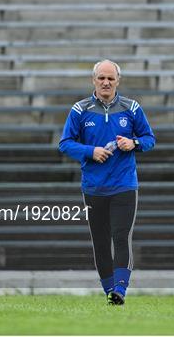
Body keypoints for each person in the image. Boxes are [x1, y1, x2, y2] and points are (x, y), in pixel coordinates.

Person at [59, 60, 155, 305]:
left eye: (110, 79)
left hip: (124, 184)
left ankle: (120, 290)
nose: (106, 82)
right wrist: (91, 151)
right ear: (93, 80)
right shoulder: (80, 110)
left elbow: (149, 138)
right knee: (100, 242)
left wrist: (133, 144)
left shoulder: (131, 108)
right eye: (101, 78)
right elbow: (65, 143)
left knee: (121, 237)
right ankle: (109, 291)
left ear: (118, 81)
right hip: (93, 187)